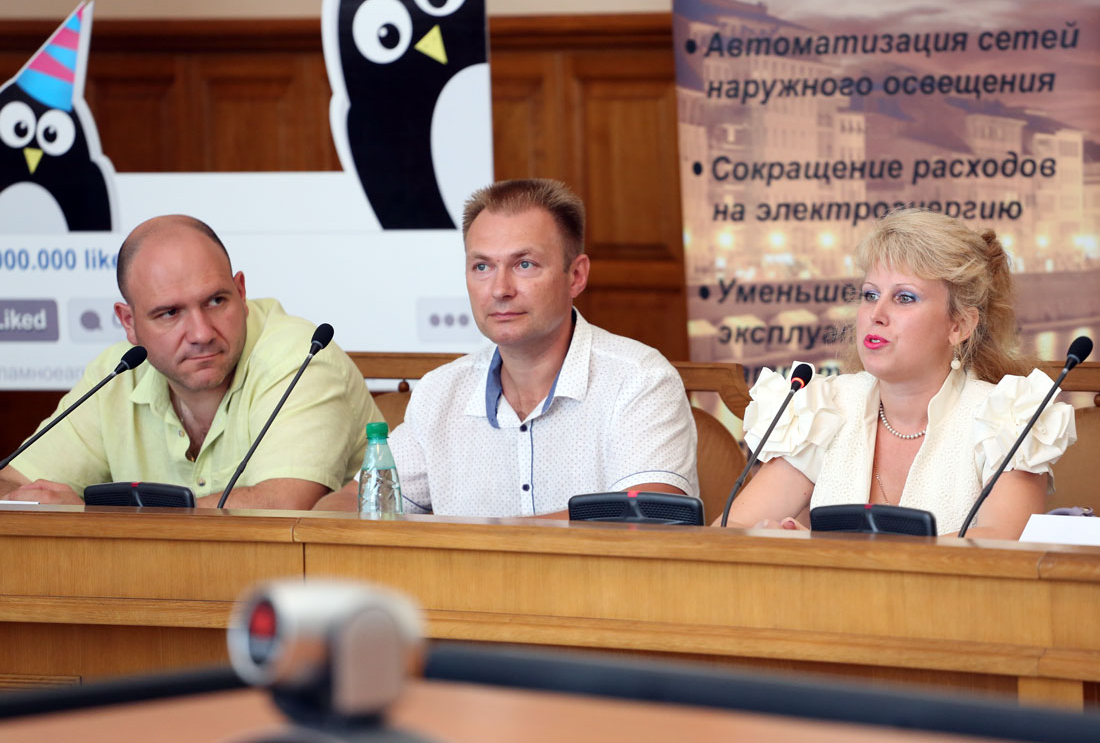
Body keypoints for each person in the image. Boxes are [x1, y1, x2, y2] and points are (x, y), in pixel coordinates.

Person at [315, 178, 698, 517]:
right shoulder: (439, 392)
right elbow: (349, 504)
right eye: (482, 267)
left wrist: (484, 539)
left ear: (576, 275)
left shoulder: (639, 380)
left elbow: (648, 515)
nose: (500, 289)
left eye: (524, 264)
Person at [723, 208, 1076, 539]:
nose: (876, 314)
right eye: (870, 294)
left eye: (904, 298)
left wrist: (830, 550)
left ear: (959, 325)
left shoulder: (1008, 419)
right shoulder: (824, 407)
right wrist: (769, 536)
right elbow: (727, 531)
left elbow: (1001, 547)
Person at [0, 215, 381, 509]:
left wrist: (94, 516)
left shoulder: (300, 357)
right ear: (129, 322)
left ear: (241, 292)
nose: (201, 333)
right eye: (170, 313)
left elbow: (282, 505)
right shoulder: (117, 373)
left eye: (216, 301)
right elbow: (10, 482)